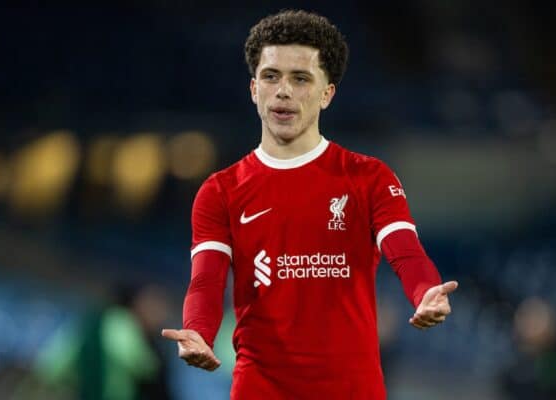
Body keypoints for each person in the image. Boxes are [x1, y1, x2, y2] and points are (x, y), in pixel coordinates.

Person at [162, 9, 458, 399]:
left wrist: (425, 293)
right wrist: (198, 330)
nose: (283, 91)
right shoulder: (221, 190)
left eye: (300, 78)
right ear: (254, 89)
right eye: (271, 76)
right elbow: (206, 280)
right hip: (261, 388)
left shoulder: (368, 177)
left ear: (326, 93)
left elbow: (405, 253)